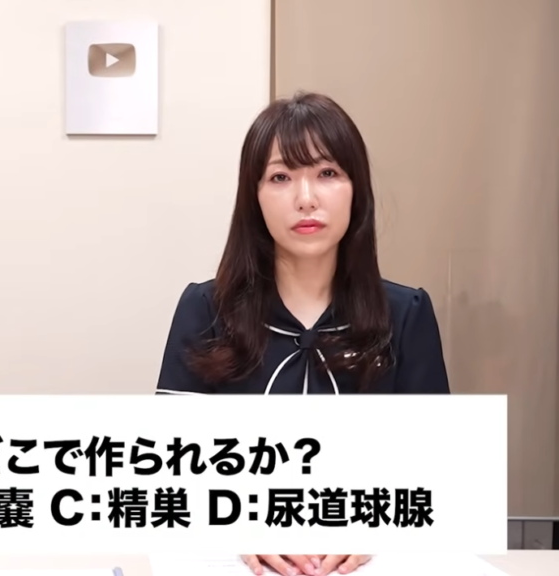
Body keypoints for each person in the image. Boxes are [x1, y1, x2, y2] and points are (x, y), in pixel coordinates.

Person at [155, 93, 450, 575]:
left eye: (327, 173)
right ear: (253, 196)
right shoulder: (204, 310)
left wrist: (374, 525)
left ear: (356, 190)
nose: (306, 198)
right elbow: (169, 468)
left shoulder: (406, 314)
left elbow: (438, 475)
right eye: (281, 177)